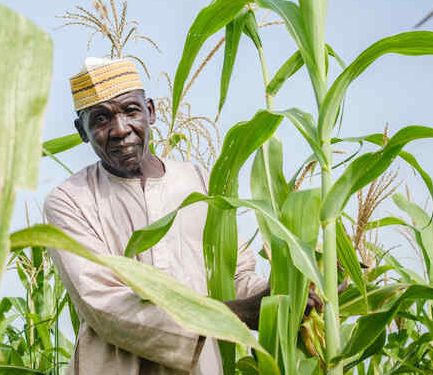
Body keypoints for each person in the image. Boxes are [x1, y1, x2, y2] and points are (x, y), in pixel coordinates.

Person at [43, 57, 272, 374]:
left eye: (130, 111)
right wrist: (236, 315)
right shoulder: (69, 201)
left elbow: (235, 276)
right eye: (100, 119)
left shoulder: (202, 181)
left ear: (150, 111)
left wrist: (293, 286)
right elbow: (105, 306)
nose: (120, 129)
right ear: (81, 131)